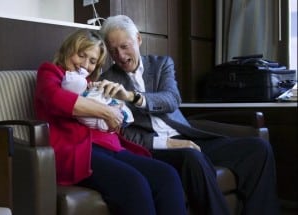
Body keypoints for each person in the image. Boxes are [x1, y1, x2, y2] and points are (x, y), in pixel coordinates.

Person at [98, 15, 280, 215]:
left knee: (258, 148)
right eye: (113, 50)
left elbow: (171, 99)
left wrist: (133, 97)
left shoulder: (161, 64)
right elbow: (124, 133)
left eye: (125, 46)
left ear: (138, 39)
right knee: (193, 157)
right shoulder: (108, 81)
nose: (121, 56)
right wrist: (169, 144)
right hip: (156, 148)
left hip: (187, 136)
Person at [34, 29, 187, 215]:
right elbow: (56, 98)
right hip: (75, 151)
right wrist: (106, 112)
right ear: (68, 50)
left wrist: (116, 117)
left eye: (92, 61)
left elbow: (113, 120)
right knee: (133, 183)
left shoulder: (91, 85)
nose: (84, 64)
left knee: (167, 175)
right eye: (81, 55)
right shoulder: (50, 72)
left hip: (109, 147)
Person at [61, 67, 134, 131]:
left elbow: (101, 93)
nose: (86, 65)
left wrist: (94, 87)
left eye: (92, 61)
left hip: (115, 108)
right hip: (114, 119)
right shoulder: (81, 109)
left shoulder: (88, 91)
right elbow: (97, 123)